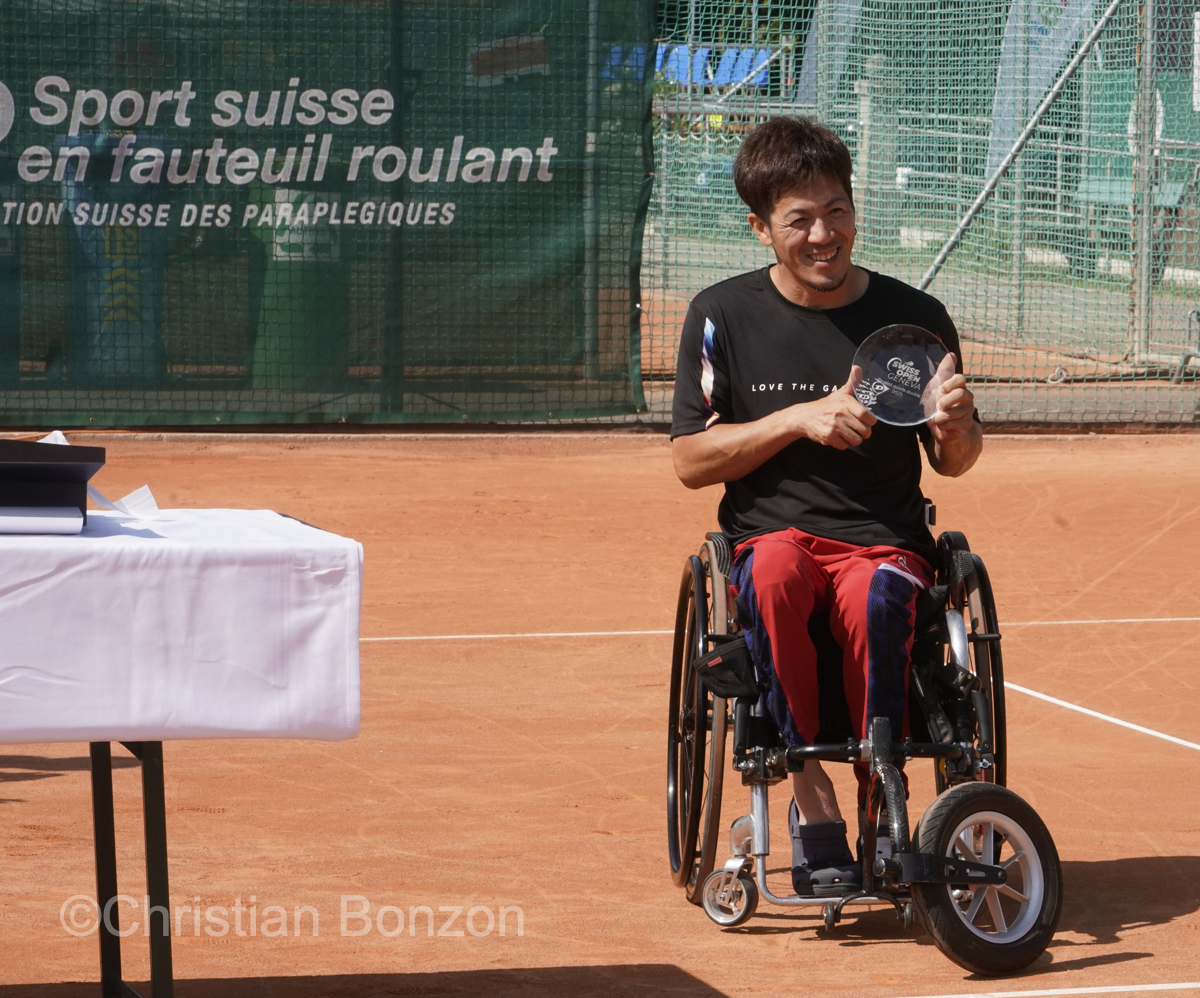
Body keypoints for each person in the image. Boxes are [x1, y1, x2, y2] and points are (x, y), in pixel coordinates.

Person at [670, 117, 982, 897]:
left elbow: (956, 460)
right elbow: (689, 461)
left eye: (835, 210)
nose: (823, 234)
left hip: (884, 540)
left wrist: (955, 424)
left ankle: (884, 801)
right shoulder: (722, 316)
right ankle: (813, 805)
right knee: (772, 576)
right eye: (799, 219)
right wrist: (797, 419)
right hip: (770, 537)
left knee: (881, 596)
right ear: (761, 227)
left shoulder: (914, 320)